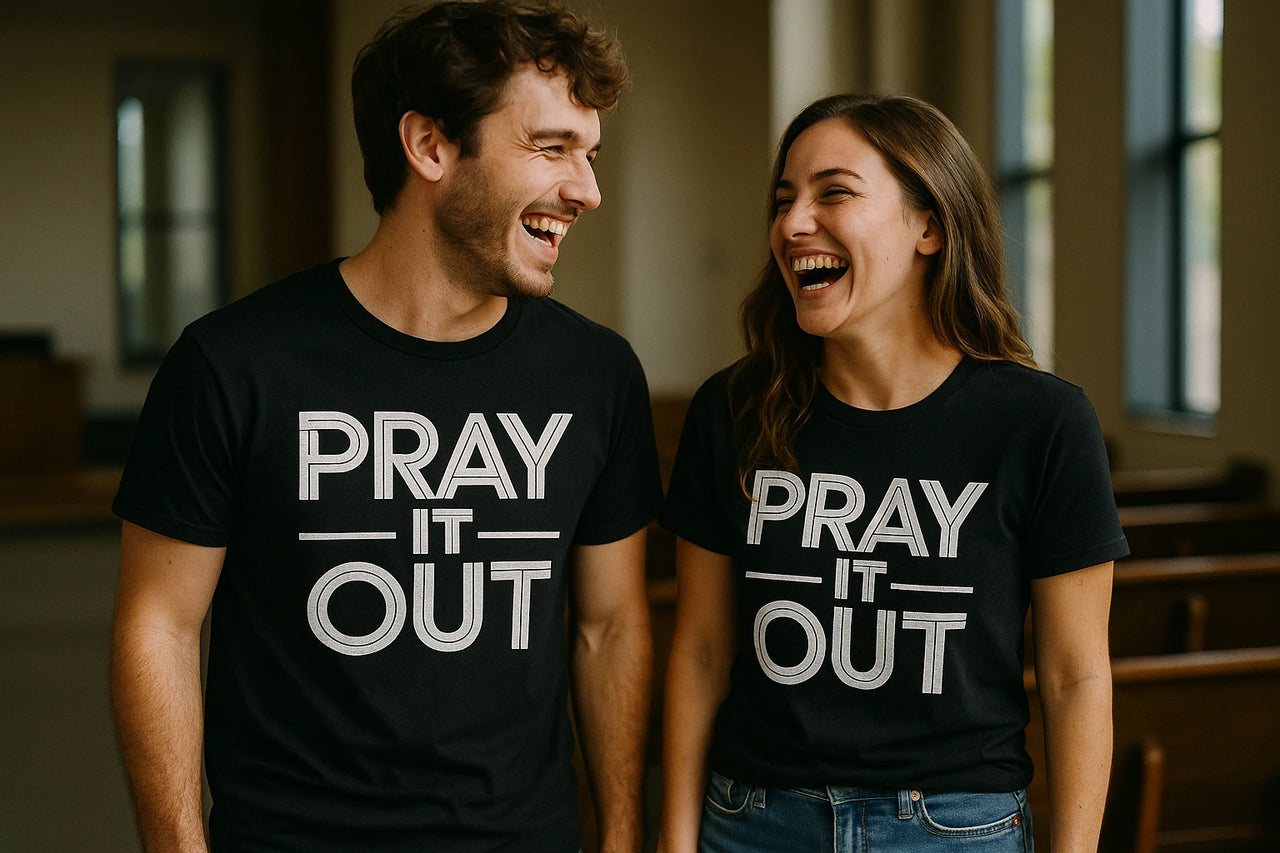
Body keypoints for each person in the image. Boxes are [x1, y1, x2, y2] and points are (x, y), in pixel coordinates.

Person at [110, 2, 660, 851]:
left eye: (589, 154)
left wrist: (622, 837)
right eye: (551, 148)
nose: (587, 190)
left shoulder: (597, 374)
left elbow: (611, 625)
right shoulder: (231, 364)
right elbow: (160, 626)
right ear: (430, 145)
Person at [657, 93, 1127, 853]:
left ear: (930, 225)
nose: (792, 223)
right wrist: (675, 840)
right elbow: (702, 649)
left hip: (954, 829)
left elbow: (1076, 675)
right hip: (753, 821)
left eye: (833, 192)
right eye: (784, 201)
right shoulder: (734, 409)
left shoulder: (1041, 423)